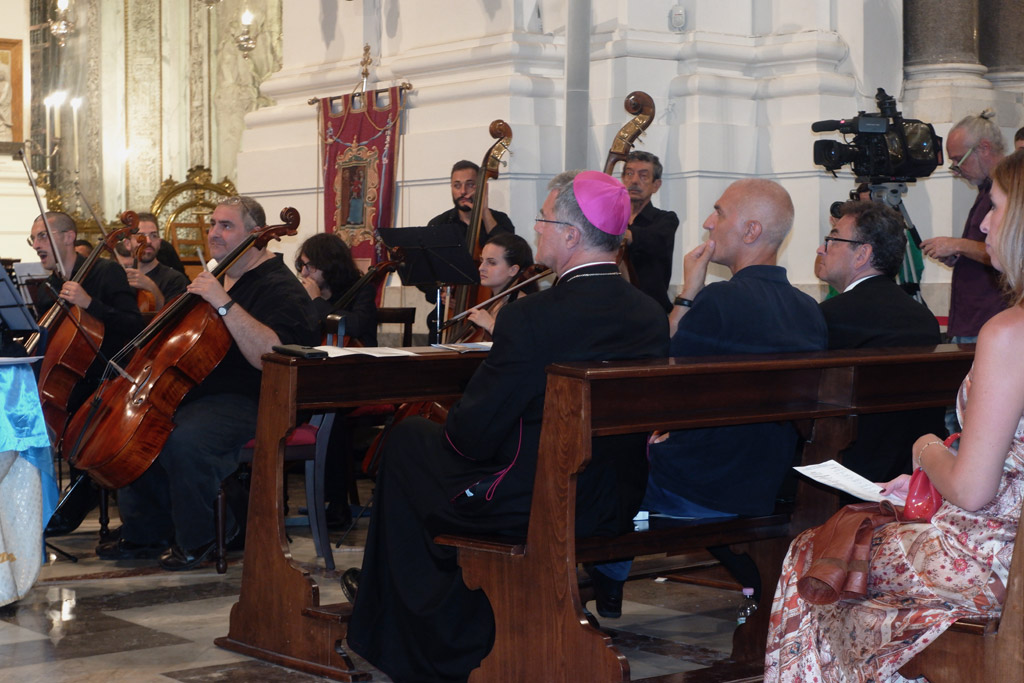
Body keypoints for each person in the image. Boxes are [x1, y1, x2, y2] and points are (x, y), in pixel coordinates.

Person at [343, 170, 669, 682]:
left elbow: (469, 437)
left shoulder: (534, 316)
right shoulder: (649, 313)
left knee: (408, 442)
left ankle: (427, 636)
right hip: (612, 497)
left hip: (536, 500)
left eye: (543, 220)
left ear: (569, 233)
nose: (536, 230)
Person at [764, 149, 1024, 683]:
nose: (985, 223)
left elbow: (974, 492)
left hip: (988, 556)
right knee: (859, 571)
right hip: (1010, 542)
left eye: (995, 209)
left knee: (814, 558)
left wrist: (928, 447)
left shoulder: (1009, 333)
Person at [586, 179, 828, 619]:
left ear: (751, 231)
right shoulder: (807, 308)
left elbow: (655, 378)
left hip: (701, 483)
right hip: (766, 478)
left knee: (596, 469)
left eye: (718, 212)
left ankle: (604, 587)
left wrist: (686, 293)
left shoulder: (719, 300)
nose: (706, 222)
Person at [95, 196, 319, 570]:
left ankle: (208, 536)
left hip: (252, 398)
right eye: (213, 224)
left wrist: (224, 303)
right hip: (200, 392)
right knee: (139, 425)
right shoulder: (217, 275)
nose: (214, 233)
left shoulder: (280, 287)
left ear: (257, 235)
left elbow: (272, 354)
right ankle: (149, 531)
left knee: (184, 439)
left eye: (226, 226)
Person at [816, 200, 943, 483]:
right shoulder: (924, 319)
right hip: (914, 472)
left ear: (862, 254)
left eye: (833, 239)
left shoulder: (829, 317)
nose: (821, 248)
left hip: (844, 470)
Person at [921, 111, 1007, 344]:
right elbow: (985, 249)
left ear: (984, 148)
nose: (956, 169)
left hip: (990, 318)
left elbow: (1009, 253)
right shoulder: (987, 189)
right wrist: (961, 254)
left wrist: (956, 244)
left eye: (959, 159)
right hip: (973, 319)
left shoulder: (1009, 188)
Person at [422, 160, 517, 339]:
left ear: (481, 187)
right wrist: (438, 294)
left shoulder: (499, 220)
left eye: (470, 185)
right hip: (448, 312)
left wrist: (485, 212)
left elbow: (511, 250)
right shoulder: (439, 225)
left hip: (491, 308)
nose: (463, 192)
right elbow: (426, 270)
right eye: (457, 186)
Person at [295, 232, 377, 347]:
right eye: (302, 265)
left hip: (357, 361)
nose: (304, 272)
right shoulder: (303, 295)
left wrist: (317, 301)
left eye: (310, 265)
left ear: (330, 265)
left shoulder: (362, 290)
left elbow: (355, 326)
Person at [621, 151, 679, 312]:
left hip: (651, 310)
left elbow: (654, 240)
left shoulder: (666, 220)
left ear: (656, 185)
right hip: (614, 308)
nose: (634, 180)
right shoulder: (613, 218)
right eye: (629, 174)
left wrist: (616, 233)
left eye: (643, 176)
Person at [463, 232, 537, 338]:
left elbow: (522, 345)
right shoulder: (493, 304)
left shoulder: (524, 306)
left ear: (513, 270)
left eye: (491, 262)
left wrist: (491, 325)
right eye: (482, 260)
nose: (481, 268)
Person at [115, 213, 189, 310]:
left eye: (154, 236)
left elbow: (173, 319)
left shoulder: (175, 280)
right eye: (140, 236)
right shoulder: (118, 278)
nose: (148, 241)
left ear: (159, 242)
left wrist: (151, 287)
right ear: (128, 244)